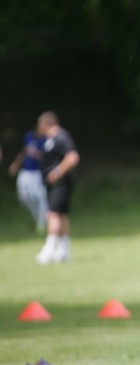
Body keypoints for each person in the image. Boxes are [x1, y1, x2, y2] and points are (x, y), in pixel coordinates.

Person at [35, 111, 80, 264]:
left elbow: (73, 157)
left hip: (61, 183)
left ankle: (49, 249)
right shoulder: (50, 139)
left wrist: (58, 172)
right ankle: (63, 251)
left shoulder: (62, 136)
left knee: (53, 214)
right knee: (61, 215)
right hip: (55, 184)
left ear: (45, 124)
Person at [8, 127, 49, 232]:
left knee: (40, 197)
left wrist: (36, 154)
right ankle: (39, 217)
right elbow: (24, 152)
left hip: (37, 173)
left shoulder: (46, 140)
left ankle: (42, 223)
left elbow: (47, 156)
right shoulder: (28, 136)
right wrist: (16, 165)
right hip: (25, 172)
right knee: (23, 197)